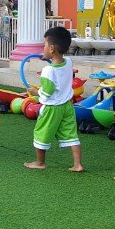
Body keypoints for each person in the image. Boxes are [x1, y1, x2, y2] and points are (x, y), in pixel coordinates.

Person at [25, 26, 84, 172]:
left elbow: (47, 92)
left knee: (42, 132)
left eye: (44, 45)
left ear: (51, 48)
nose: (43, 48)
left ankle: (40, 163)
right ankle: (78, 164)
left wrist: (35, 92)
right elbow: (59, 73)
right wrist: (48, 57)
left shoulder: (48, 70)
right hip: (67, 106)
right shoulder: (68, 62)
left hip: (52, 108)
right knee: (71, 133)